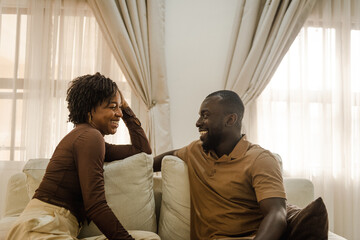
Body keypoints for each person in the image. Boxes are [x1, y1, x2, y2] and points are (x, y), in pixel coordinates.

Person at [6, 73, 153, 240]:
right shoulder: (90, 137)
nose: (119, 113)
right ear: (90, 109)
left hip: (51, 227)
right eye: (113, 107)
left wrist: (125, 107)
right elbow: (96, 206)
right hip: (42, 229)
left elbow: (142, 150)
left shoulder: (88, 138)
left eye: (120, 108)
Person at [153, 90, 287, 240]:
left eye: (205, 115)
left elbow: (277, 213)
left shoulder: (260, 159)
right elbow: (152, 162)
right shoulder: (195, 151)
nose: (197, 123)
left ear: (230, 120)